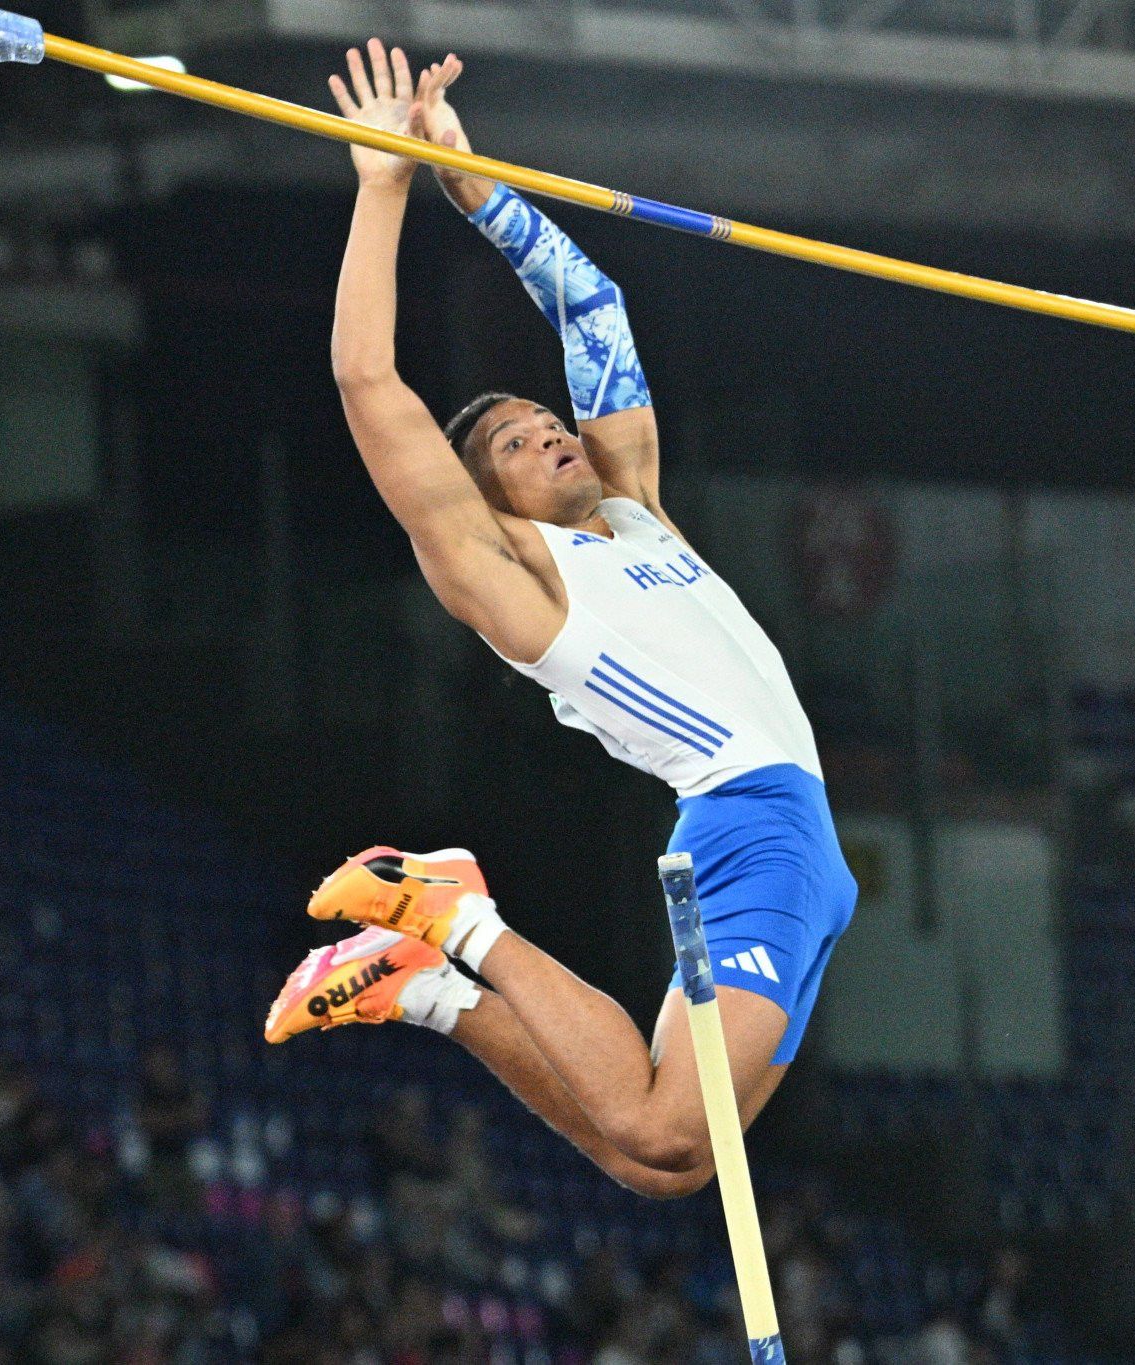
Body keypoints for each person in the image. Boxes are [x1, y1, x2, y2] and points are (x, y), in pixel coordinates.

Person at [263, 41, 856, 1201]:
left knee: (660, 1165)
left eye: (547, 420)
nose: (547, 433)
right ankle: (458, 917)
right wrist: (383, 188)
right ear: (482, 499)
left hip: (799, 841)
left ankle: (422, 989)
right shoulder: (511, 573)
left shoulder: (635, 512)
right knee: (672, 1135)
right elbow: (367, 383)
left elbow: (593, 308)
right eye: (513, 442)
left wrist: (472, 186)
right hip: (748, 825)